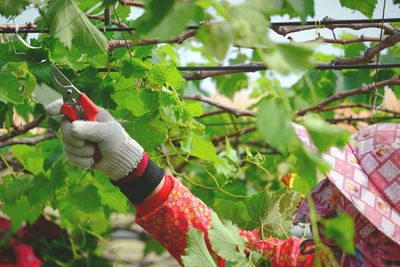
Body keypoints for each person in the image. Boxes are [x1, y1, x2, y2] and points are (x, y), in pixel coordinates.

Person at [44, 100, 400, 266]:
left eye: (348, 197)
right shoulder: (325, 262)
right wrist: (130, 166)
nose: (330, 199)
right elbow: (231, 254)